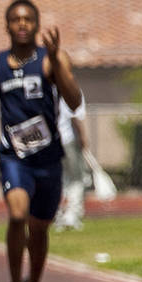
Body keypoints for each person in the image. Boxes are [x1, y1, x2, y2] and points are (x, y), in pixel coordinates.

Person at [0, 0, 81, 282]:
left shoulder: (52, 60)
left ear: (36, 25)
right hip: (13, 156)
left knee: (38, 230)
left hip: (48, 159)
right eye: (16, 20)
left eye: (28, 19)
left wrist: (56, 62)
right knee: (17, 215)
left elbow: (74, 100)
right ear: (6, 26)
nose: (22, 24)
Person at [56, 93, 88, 230]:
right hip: (68, 140)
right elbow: (75, 116)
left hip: (54, 141)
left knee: (61, 179)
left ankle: (58, 213)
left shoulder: (53, 90)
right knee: (76, 178)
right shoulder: (71, 90)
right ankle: (71, 214)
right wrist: (83, 137)